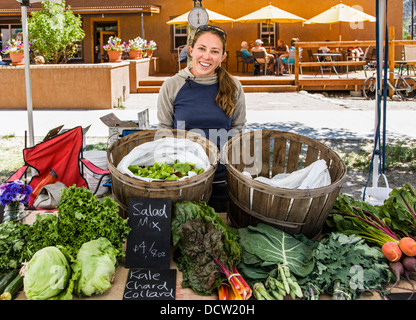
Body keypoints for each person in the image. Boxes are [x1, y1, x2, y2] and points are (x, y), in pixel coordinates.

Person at [157, 25, 247, 212]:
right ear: (191, 51)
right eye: (202, 48)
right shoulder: (172, 85)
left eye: (215, 51)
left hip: (222, 180)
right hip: (183, 180)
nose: (207, 56)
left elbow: (238, 129)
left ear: (223, 57)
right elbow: (164, 129)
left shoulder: (234, 86)